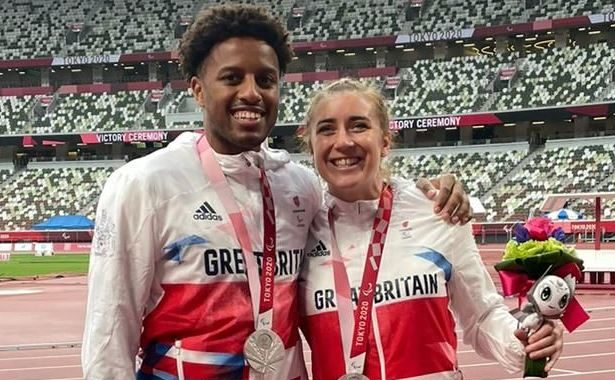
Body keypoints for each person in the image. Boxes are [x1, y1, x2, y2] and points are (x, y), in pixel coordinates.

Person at [81, 5, 471, 380]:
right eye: (232, 78)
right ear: (199, 91)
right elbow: (109, 332)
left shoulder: (299, 186)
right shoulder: (145, 184)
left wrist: (427, 193)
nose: (251, 93)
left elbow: (365, 212)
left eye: (265, 80)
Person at [298, 78, 564, 380]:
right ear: (311, 145)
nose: (343, 141)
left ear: (385, 141)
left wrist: (525, 339)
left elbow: (482, 315)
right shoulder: (297, 228)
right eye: (327, 129)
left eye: (358, 126)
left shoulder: (436, 210)